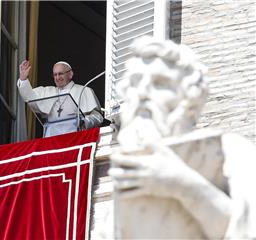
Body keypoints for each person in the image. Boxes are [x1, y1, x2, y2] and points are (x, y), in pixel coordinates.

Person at [106, 36, 256, 239]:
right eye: (135, 83)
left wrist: (182, 184)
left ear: (191, 97)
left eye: (159, 83)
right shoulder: (129, 170)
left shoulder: (233, 152)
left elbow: (247, 231)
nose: (142, 93)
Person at [17, 60, 103, 137]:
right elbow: (29, 97)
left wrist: (85, 121)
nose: (57, 78)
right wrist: (23, 79)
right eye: (55, 75)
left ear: (70, 74)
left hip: (75, 137)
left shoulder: (84, 90)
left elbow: (98, 116)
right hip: (51, 138)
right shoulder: (47, 91)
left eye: (60, 74)